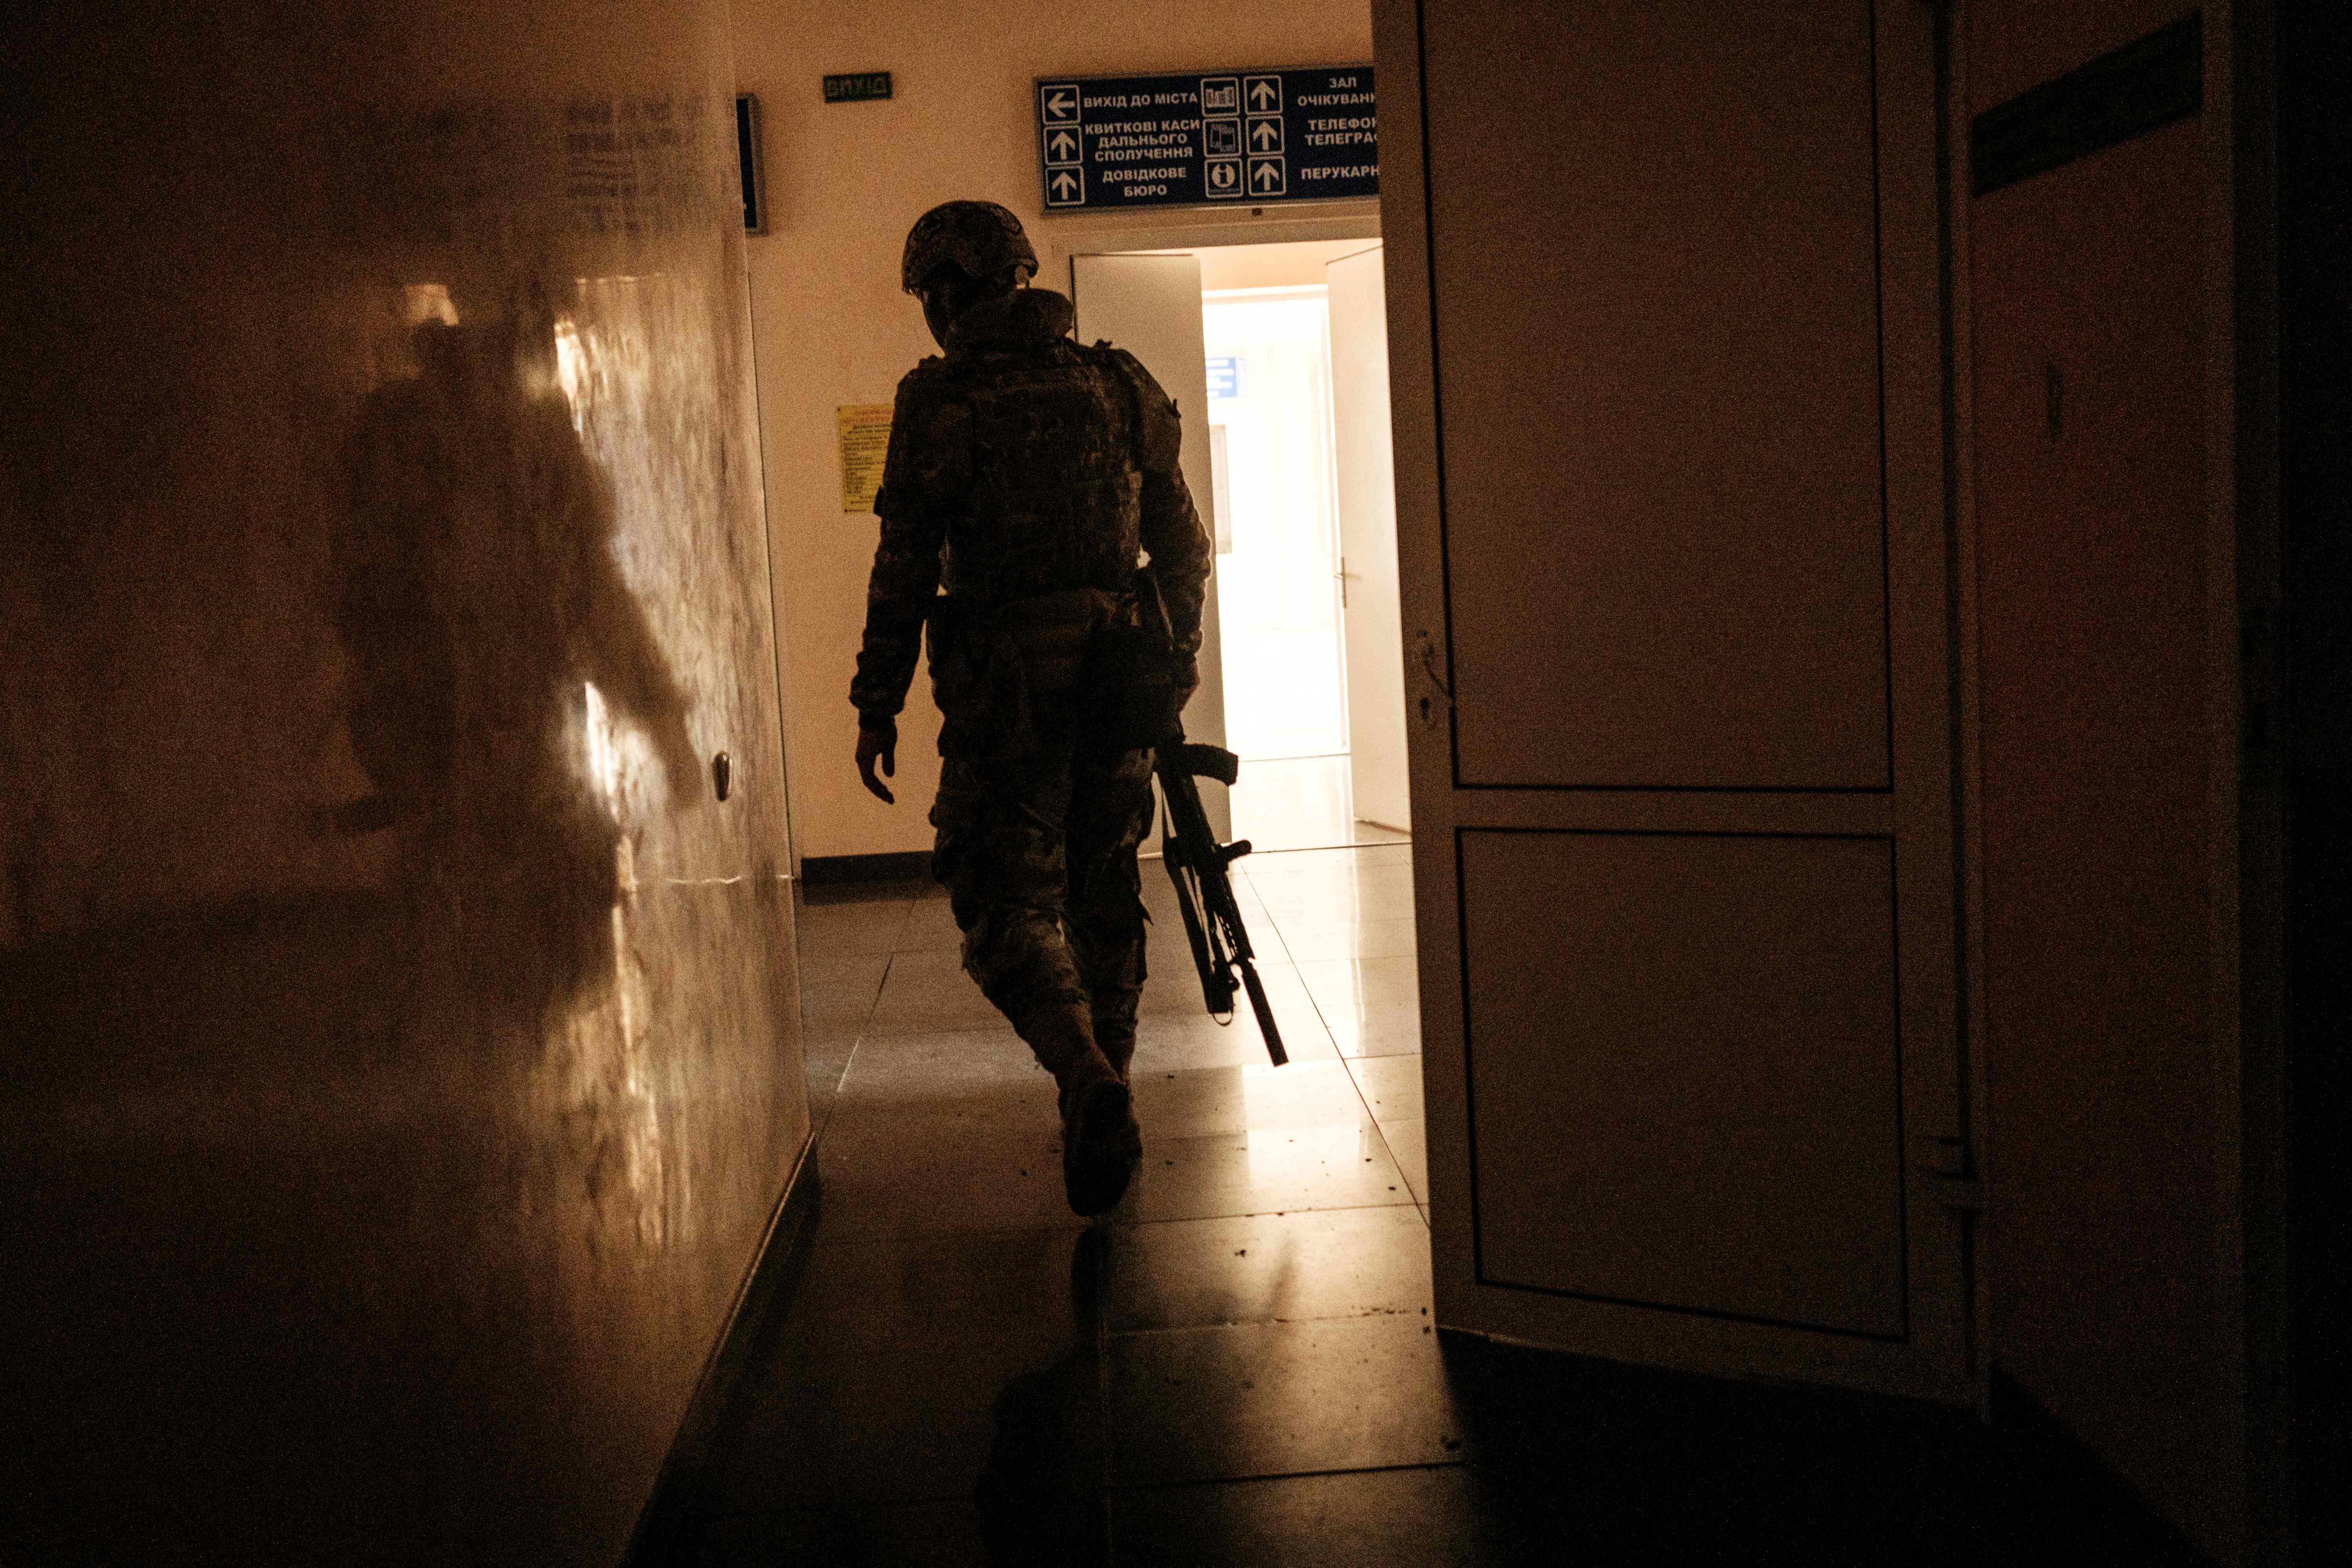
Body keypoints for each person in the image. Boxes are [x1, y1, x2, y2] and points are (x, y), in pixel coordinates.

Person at [849, 200, 1213, 1216]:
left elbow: (905, 569)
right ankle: (1115, 1089)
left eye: (930, 296)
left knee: (1002, 901)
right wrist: (1170, 665)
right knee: (1105, 898)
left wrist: (877, 703)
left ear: (951, 293)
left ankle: (1085, 1080)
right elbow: (1184, 548)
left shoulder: (942, 400)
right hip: (1116, 691)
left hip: (1004, 700)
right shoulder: (1117, 383)